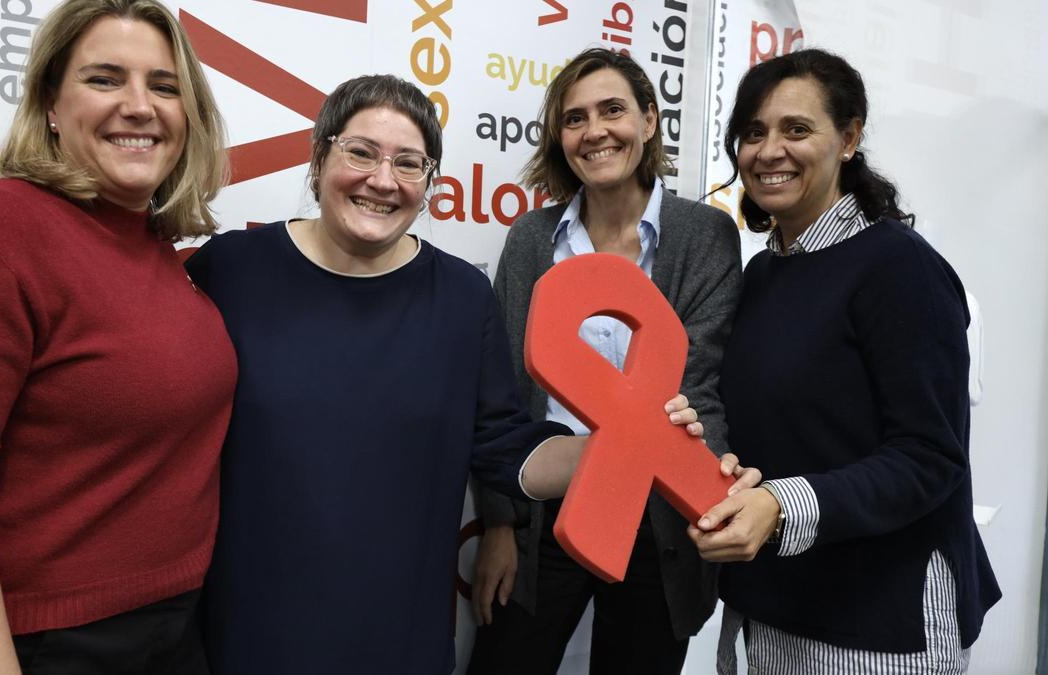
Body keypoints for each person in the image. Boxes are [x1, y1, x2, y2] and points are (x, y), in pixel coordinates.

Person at [188, 74, 747, 675]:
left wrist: (635, 449)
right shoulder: (231, 272)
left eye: (409, 163)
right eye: (360, 152)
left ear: (429, 182)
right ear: (320, 154)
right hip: (255, 621)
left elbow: (503, 442)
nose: (382, 179)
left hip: (398, 628)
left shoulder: (460, 294)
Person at [0, 1, 234, 673]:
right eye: (104, 79)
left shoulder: (154, 250)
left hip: (168, 632)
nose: (139, 105)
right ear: (49, 104)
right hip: (32, 646)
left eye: (163, 86)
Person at [688, 48, 1001, 673]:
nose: (768, 150)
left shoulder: (900, 269)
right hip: (774, 604)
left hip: (878, 622)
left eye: (796, 129)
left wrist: (780, 506)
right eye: (753, 132)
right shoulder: (763, 273)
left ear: (850, 138)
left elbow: (928, 457)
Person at [466, 48, 744, 674]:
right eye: (574, 118)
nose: (594, 131)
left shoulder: (704, 235)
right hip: (547, 515)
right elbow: (506, 392)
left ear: (649, 121)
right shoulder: (535, 240)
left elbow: (697, 385)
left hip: (659, 522)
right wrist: (500, 524)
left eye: (612, 110)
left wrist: (711, 498)